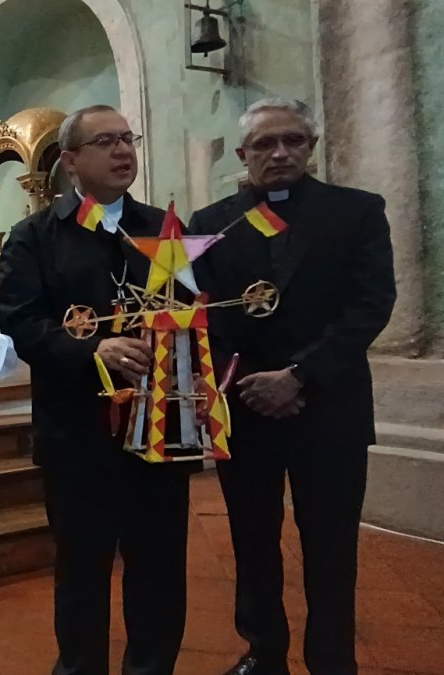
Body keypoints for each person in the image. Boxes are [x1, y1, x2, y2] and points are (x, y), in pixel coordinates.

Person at [189, 98, 396, 675]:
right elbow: (200, 314)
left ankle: (332, 659)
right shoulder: (210, 224)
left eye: (293, 141)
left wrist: (299, 375)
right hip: (245, 406)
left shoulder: (355, 212)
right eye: (264, 144)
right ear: (242, 155)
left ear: (311, 146)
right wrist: (250, 381)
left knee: (331, 544)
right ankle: (264, 652)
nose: (280, 153)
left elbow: (371, 304)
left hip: (329, 406)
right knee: (252, 540)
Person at [0, 104, 190, 675]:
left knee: (159, 568)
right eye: (105, 141)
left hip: (159, 426)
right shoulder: (34, 237)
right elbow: (23, 323)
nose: (123, 150)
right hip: (77, 435)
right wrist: (93, 351)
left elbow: (189, 310)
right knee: (81, 571)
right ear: (71, 162)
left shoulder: (164, 230)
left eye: (128, 138)